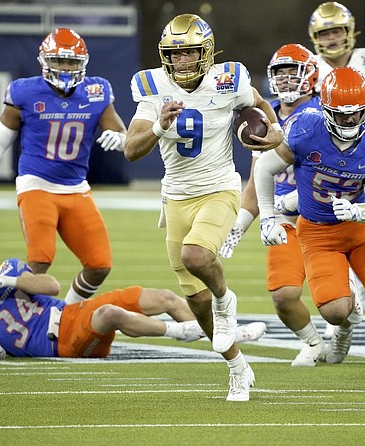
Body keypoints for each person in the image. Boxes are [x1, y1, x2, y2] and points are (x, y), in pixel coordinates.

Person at [124, 14, 283, 401]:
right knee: (197, 303)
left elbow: (259, 104)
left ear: (206, 52)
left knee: (196, 256)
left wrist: (276, 130)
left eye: (190, 52)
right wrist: (159, 127)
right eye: (175, 55)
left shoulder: (230, 78)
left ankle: (226, 298)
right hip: (175, 196)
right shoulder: (151, 86)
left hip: (219, 189)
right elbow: (131, 150)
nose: (182, 62)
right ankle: (237, 367)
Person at [254, 67, 365, 386]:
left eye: (354, 114)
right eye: (339, 115)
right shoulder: (305, 128)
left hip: (361, 230)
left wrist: (361, 211)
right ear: (324, 109)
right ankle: (343, 327)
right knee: (334, 311)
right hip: (317, 230)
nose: (347, 121)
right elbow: (264, 169)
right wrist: (266, 216)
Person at [0, 28, 128, 304]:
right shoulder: (25, 92)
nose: (66, 67)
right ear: (45, 61)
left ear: (83, 64)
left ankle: (65, 313)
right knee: (40, 259)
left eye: (71, 62)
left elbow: (126, 138)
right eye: (59, 61)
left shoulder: (97, 91)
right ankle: (10, 315)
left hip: (76, 188)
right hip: (36, 185)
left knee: (99, 264)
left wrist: (118, 139)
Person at [220, 43, 363, 367]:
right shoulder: (262, 115)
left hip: (327, 215)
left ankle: (342, 328)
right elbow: (259, 178)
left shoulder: (324, 114)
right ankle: (312, 342)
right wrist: (241, 224)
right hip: (284, 218)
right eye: (279, 74)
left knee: (338, 305)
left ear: (311, 76)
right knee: (283, 295)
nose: (285, 81)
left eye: (292, 73)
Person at [0, 252, 265, 367]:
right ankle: (182, 332)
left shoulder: (6, 276)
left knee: (162, 297)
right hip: (63, 344)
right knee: (110, 316)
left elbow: (50, 287)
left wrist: (0, 281)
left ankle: (226, 334)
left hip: (73, 314)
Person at [308, 1, 365, 317]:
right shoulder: (308, 67)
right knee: (323, 222)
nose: (332, 38)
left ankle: (362, 287)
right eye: (325, 32)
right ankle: (344, 289)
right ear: (314, 36)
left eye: (337, 31)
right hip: (326, 160)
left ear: (349, 31)